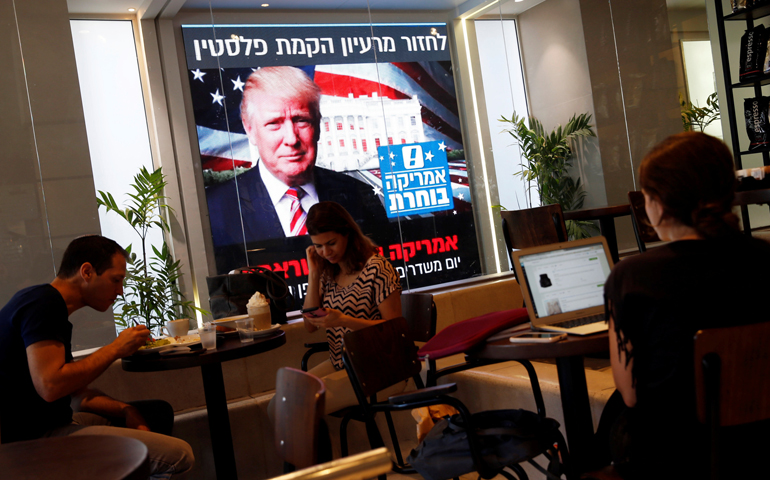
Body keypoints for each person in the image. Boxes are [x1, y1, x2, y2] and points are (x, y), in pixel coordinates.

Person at [603, 132, 770, 479]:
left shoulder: (631, 278)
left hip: (675, 458)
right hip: (761, 446)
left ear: (658, 204)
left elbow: (631, 395)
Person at [0, 235, 194, 477]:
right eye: (116, 280)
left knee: (156, 413)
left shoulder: (43, 303)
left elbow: (73, 393)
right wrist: (116, 348)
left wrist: (125, 409)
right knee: (180, 454)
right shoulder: (45, 304)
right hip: (31, 440)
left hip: (54, 422)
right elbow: (50, 385)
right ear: (87, 272)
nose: (121, 292)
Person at [205, 66, 389, 258]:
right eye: (274, 123)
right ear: (250, 129)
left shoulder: (359, 194)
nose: (291, 139)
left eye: (301, 120)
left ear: (317, 124)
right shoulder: (217, 210)